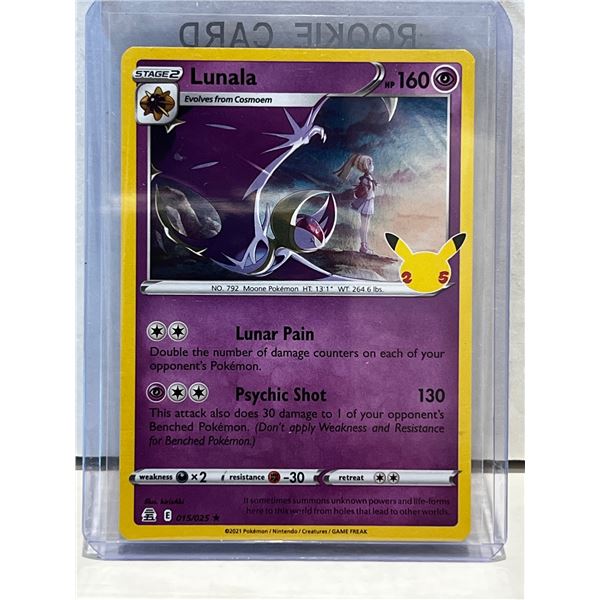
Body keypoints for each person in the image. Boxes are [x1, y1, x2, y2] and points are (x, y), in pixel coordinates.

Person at [334, 153, 377, 254]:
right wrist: (367, 190)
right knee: (364, 225)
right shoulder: (365, 179)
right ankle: (363, 246)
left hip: (369, 202)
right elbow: (364, 192)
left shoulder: (368, 177)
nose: (372, 165)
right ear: (365, 166)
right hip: (367, 202)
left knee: (366, 225)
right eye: (370, 163)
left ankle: (364, 246)